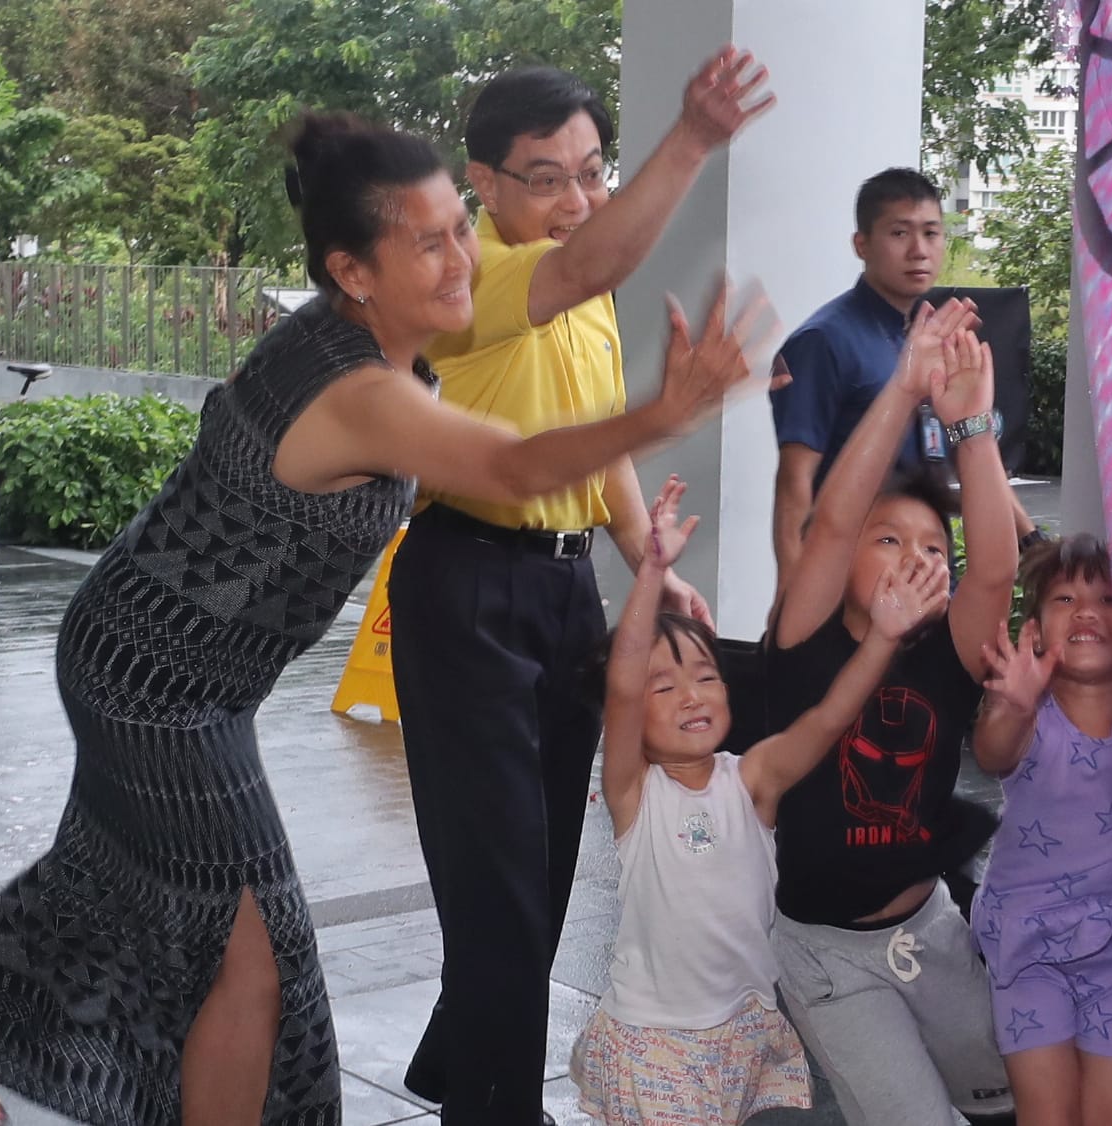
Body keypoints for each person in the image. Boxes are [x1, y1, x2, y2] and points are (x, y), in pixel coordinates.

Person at [0, 113, 777, 1126]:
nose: (463, 255)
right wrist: (667, 410)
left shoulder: (357, 344)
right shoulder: (356, 390)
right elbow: (509, 465)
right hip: (156, 685)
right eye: (427, 242)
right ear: (355, 271)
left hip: (161, 663)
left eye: (456, 229)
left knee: (100, 883)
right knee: (251, 954)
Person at [391, 52, 773, 1125]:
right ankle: (496, 1105)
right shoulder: (469, 283)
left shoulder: (580, 287)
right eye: (547, 177)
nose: (576, 200)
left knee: (546, 863)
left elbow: (593, 433)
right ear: (485, 184)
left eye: (592, 171)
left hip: (562, 596)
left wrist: (646, 548)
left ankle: (463, 1066)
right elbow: (588, 268)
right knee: (500, 874)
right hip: (465, 583)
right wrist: (690, 138)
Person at [567, 475, 950, 1126]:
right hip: (655, 1039)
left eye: (705, 676)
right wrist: (653, 572)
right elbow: (623, 682)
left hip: (743, 1030)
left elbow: (828, 719)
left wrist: (883, 639)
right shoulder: (635, 794)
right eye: (664, 687)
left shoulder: (752, 780)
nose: (691, 694)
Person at [752, 298, 1024, 1126]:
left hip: (933, 930)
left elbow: (993, 576)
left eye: (932, 548)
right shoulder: (805, 641)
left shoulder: (946, 651)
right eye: (890, 542)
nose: (916, 557)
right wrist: (904, 389)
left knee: (1011, 1100)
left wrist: (973, 429)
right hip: (827, 957)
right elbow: (834, 517)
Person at [971, 534, 1112, 1126]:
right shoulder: (1030, 713)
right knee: (1048, 1114)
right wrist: (1014, 706)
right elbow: (991, 753)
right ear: (1034, 632)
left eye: (1109, 598)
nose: (1086, 611)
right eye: (1064, 599)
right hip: (1028, 946)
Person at [769, 168, 1035, 590]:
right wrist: (793, 602)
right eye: (899, 233)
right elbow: (794, 483)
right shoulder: (823, 341)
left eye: (931, 233)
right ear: (862, 244)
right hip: (853, 586)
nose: (918, 250)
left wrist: (1032, 540)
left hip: (927, 579)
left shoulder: (928, 338)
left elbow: (971, 447)